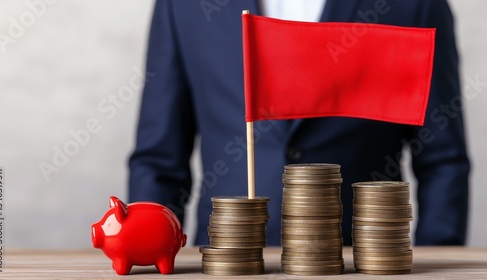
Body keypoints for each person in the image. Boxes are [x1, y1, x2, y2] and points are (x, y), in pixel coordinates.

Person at [129, 0, 470, 246]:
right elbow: (159, 158)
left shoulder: (415, 4)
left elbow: (443, 158)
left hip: (361, 260)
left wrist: (436, 258)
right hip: (226, 254)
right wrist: (147, 249)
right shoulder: (183, 5)